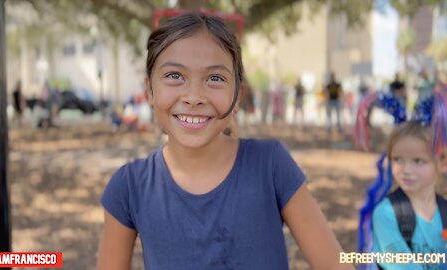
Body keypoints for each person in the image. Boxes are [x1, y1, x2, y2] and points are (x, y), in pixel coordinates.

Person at [97, 13, 351, 270]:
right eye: (175, 75)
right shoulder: (128, 187)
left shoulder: (271, 166)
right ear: (149, 91)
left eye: (215, 78)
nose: (194, 96)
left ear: (237, 95)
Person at [372, 122, 447, 269]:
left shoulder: (445, 210)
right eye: (397, 159)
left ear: (442, 164)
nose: (406, 170)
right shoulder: (385, 214)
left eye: (418, 161)